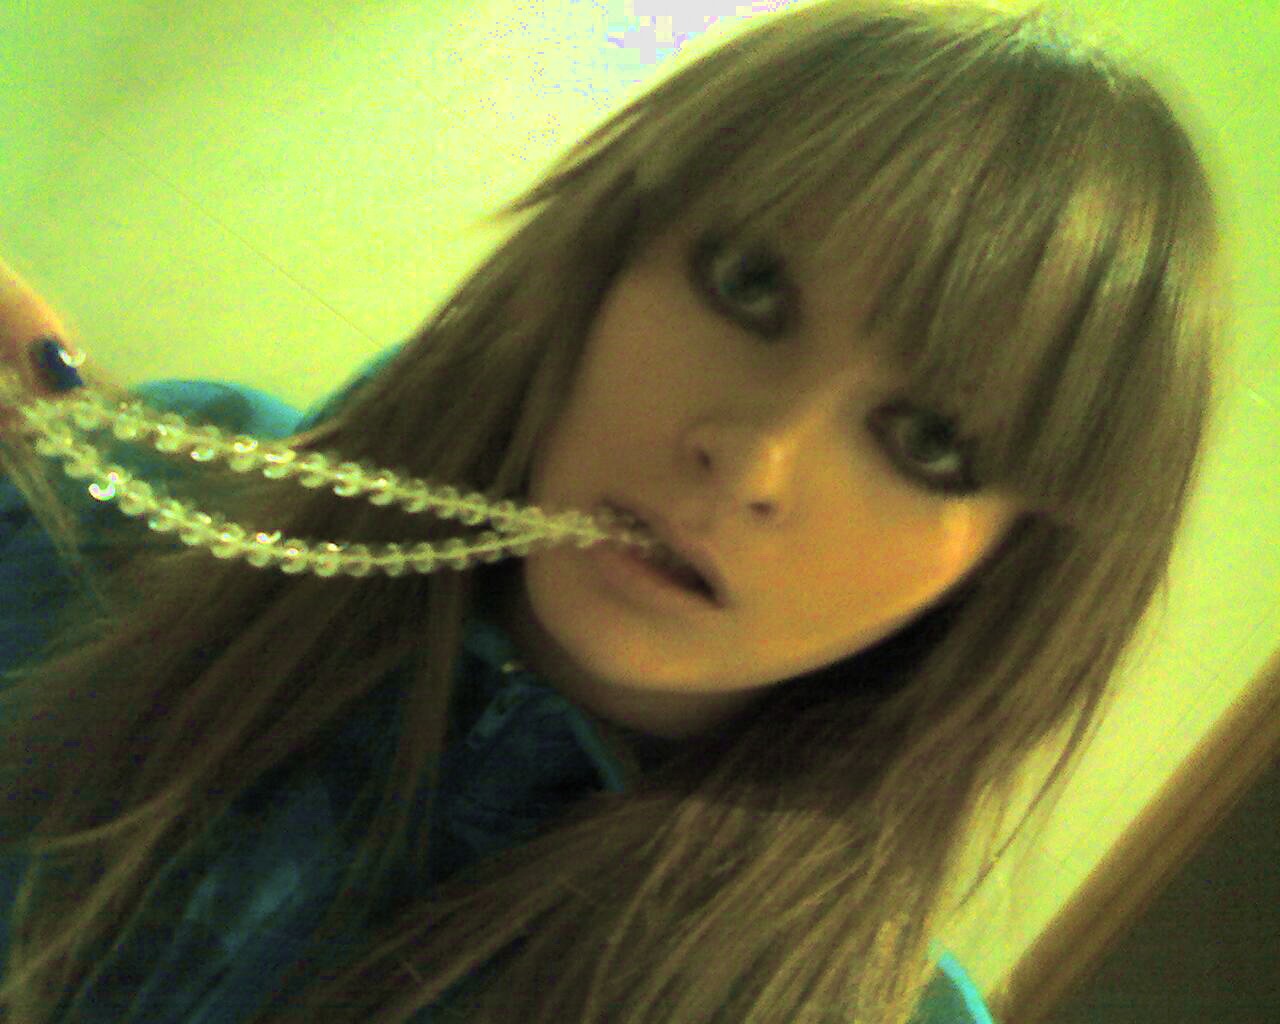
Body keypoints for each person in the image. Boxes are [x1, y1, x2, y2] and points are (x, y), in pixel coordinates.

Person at [0, 1, 1228, 1021]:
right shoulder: (140, 510)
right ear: (606, 253)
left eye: (929, 442)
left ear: (1012, 564)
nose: (752, 461)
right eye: (745, 287)